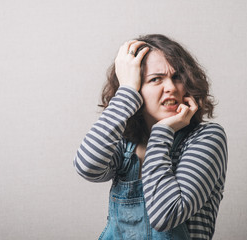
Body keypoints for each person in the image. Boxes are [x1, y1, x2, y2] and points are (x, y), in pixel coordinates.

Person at [74, 34, 228, 240]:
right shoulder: (123, 144)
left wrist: (162, 132)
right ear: (137, 89)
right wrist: (126, 91)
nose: (171, 88)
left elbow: (166, 215)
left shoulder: (206, 138)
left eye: (177, 77)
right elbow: (87, 166)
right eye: (155, 79)